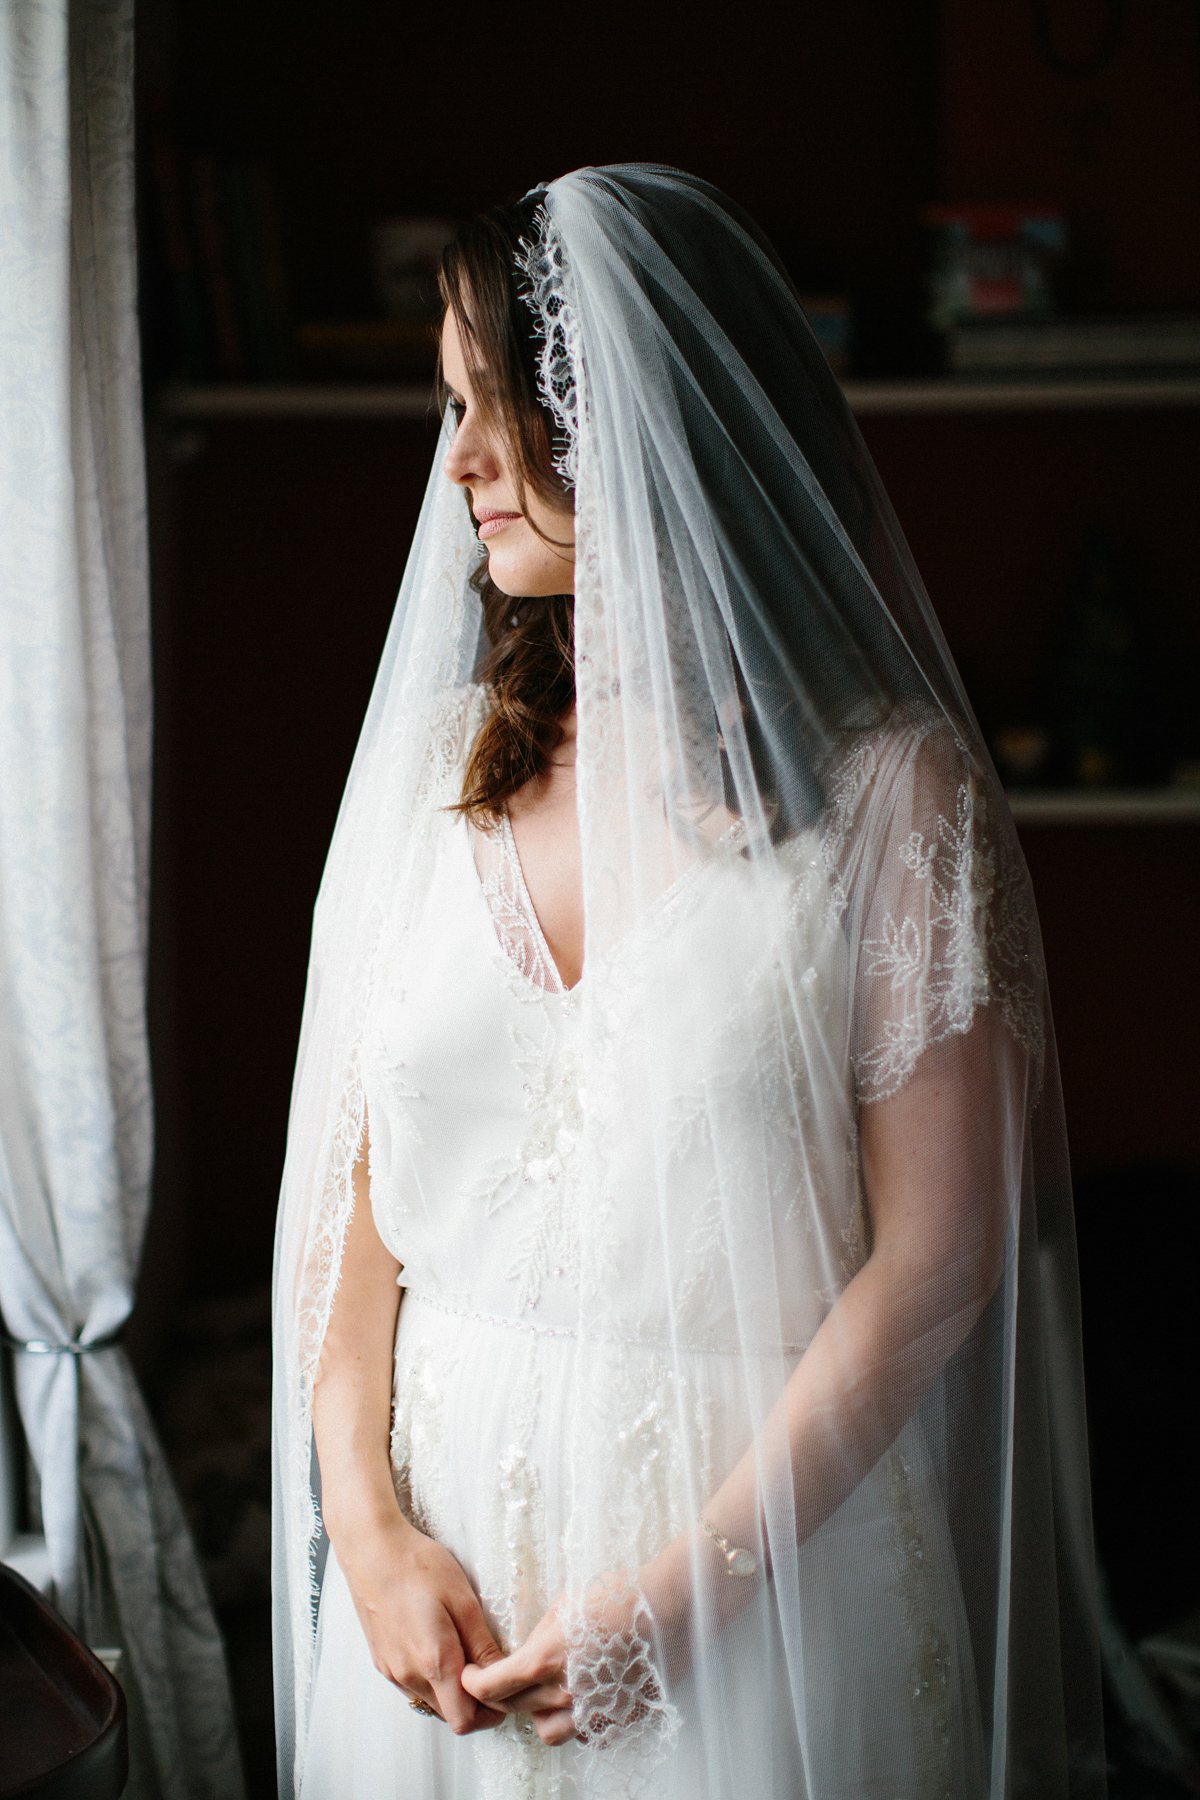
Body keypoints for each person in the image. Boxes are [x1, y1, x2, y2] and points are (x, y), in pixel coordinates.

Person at [272, 165, 1104, 1800]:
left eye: (499, 407)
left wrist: (684, 1599)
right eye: (451, 410)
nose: (462, 466)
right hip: (436, 1632)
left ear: (644, 423)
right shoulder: (441, 773)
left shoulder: (893, 798)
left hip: (765, 1610)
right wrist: (362, 1529)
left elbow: (940, 1257)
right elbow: (360, 1214)